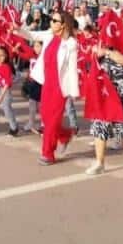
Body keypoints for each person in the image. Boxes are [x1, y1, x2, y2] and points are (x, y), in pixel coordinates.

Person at [85, 42, 123, 175]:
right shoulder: (104, 44)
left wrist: (107, 52)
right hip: (104, 89)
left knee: (122, 129)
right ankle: (99, 162)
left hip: (122, 92)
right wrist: (95, 51)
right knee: (100, 125)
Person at [30, 11, 79, 165]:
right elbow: (32, 35)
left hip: (60, 86)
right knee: (45, 117)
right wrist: (17, 29)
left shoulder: (71, 43)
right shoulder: (49, 35)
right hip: (47, 83)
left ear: (63, 24)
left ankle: (48, 154)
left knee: (51, 121)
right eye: (51, 19)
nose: (51, 22)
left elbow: (72, 68)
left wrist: (73, 91)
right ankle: (65, 135)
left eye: (55, 20)